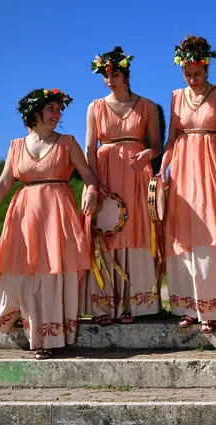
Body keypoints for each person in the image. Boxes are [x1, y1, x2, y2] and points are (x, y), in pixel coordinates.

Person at [0, 88, 98, 359]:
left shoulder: (67, 142)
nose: (58, 114)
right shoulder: (16, 145)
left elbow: (88, 174)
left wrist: (90, 192)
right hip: (24, 213)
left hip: (58, 212)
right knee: (24, 266)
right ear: (35, 113)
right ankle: (26, 319)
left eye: (58, 109)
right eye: (52, 109)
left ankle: (49, 333)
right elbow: (5, 180)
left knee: (51, 269)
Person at [159, 35, 216, 333]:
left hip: (212, 167)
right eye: (187, 74)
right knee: (184, 234)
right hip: (182, 169)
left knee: (211, 232)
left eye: (197, 73)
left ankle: (211, 306)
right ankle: (187, 307)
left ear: (207, 68)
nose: (193, 79)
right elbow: (170, 140)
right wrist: (161, 171)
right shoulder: (175, 97)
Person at [79, 46, 162, 325]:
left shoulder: (148, 106)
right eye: (105, 76)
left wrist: (148, 153)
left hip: (137, 175)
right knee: (106, 231)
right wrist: (94, 182)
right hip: (106, 174)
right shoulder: (95, 107)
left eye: (114, 74)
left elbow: (157, 145)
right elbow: (90, 149)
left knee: (135, 231)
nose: (109, 80)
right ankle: (105, 305)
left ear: (126, 74)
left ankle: (133, 305)